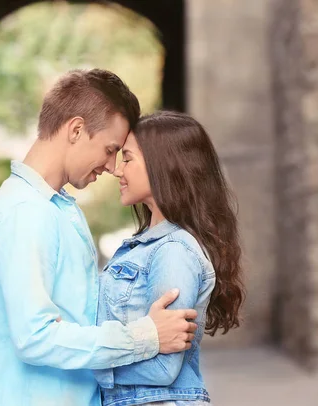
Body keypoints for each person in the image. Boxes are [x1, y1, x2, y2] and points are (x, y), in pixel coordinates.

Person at [0, 70, 198, 406]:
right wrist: (145, 336)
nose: (111, 166)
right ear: (76, 130)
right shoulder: (25, 212)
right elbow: (35, 337)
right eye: (109, 149)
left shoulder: (55, 209)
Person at [94, 111, 245, 406]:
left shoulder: (174, 250)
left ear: (160, 165)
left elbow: (165, 367)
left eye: (128, 158)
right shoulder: (145, 247)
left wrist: (85, 361)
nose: (117, 170)